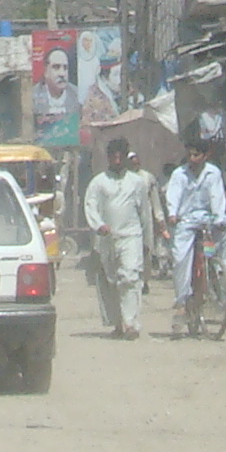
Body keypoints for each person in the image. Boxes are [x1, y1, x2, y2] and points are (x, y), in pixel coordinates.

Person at [83, 140, 157, 338]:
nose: (117, 161)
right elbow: (91, 206)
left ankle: (131, 324)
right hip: (107, 238)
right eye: (113, 157)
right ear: (108, 158)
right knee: (111, 280)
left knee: (130, 277)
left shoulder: (137, 182)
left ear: (125, 158)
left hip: (131, 236)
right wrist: (99, 225)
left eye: (120, 157)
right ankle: (118, 322)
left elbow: (144, 213)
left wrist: (147, 241)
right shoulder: (98, 182)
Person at [164, 136, 226, 323]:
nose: (192, 159)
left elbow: (217, 196)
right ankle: (182, 300)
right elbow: (173, 195)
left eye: (196, 155)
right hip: (186, 220)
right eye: (190, 155)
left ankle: (223, 268)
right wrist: (172, 214)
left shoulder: (213, 173)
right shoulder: (179, 174)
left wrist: (218, 218)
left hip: (208, 219)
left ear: (205, 155)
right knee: (180, 258)